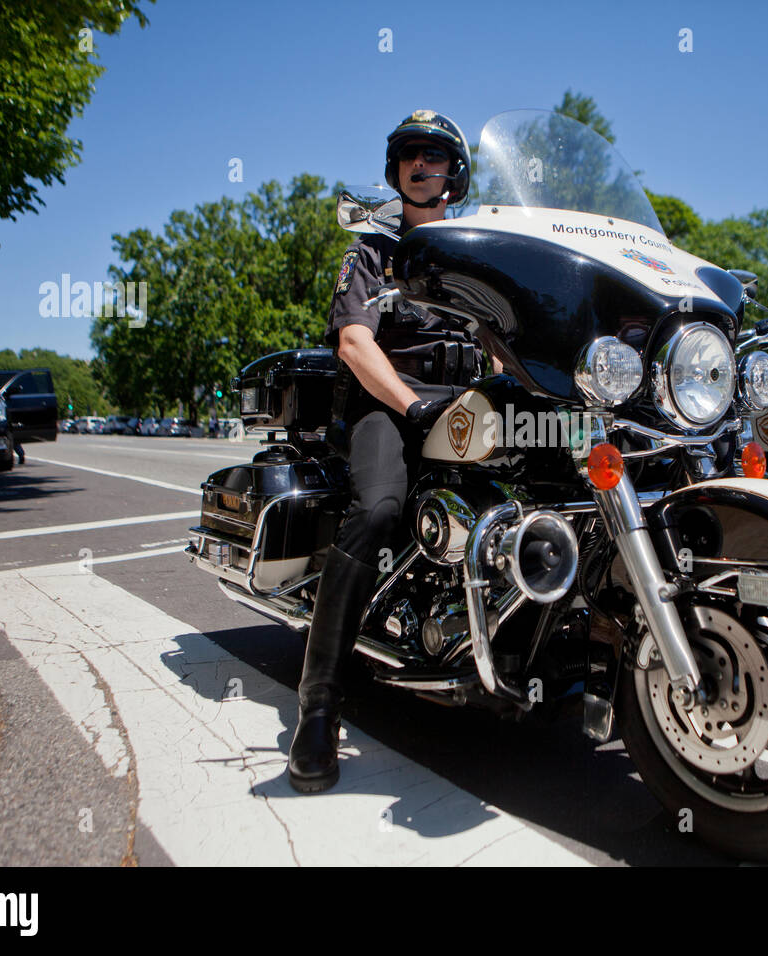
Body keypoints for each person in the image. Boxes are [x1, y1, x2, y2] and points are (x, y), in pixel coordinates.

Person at [288, 110, 477, 793]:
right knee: (376, 513)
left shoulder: (481, 251)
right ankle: (318, 705)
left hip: (469, 406)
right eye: (409, 158)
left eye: (435, 157)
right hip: (390, 403)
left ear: (456, 172)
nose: (422, 167)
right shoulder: (373, 248)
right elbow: (354, 344)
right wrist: (412, 404)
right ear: (396, 171)